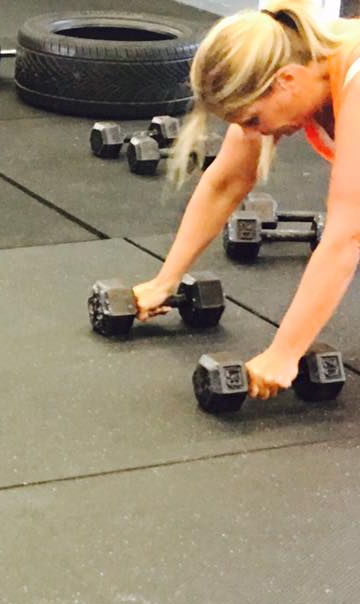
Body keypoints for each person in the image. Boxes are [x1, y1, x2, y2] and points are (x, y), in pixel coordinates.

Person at [132, 0, 360, 400]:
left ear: (286, 81)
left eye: (253, 120)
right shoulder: (290, 64)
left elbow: (347, 235)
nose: (254, 133)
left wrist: (285, 353)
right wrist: (163, 282)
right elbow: (227, 181)